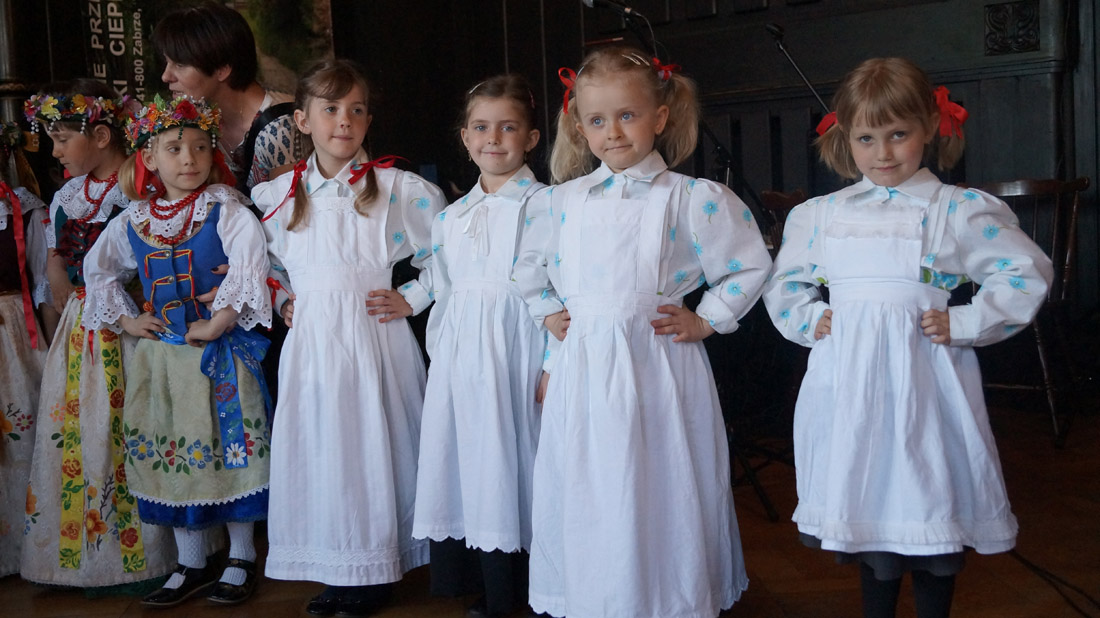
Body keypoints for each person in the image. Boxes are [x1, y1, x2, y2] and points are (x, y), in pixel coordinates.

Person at [762, 57, 1053, 618]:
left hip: (926, 382)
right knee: (867, 499)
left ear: (930, 127)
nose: (884, 153)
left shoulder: (956, 210)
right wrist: (810, 319)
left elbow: (1026, 271)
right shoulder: (821, 215)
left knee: (927, 497)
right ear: (846, 138)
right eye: (867, 138)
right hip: (851, 385)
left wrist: (965, 321)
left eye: (898, 134)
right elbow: (785, 282)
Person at [515, 46, 771, 618]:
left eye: (627, 115)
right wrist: (548, 313)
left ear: (659, 116)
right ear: (579, 127)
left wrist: (707, 317)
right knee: (592, 479)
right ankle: (597, 595)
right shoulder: (560, 202)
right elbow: (529, 268)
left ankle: (665, 598)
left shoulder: (689, 198)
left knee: (659, 478)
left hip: (657, 365)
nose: (612, 132)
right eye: (597, 120)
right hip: (585, 369)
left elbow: (748, 264)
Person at [253, 59, 444, 618]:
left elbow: (449, 252)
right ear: (303, 120)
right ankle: (337, 565)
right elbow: (266, 266)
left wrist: (414, 296)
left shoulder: (398, 189)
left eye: (357, 110)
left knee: (370, 448)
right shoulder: (277, 196)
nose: (345, 120)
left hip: (373, 341)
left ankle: (374, 568)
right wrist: (284, 301)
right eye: (331, 109)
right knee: (324, 450)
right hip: (315, 346)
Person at [82, 95, 273, 608]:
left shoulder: (226, 210)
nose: (189, 159)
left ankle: (240, 557)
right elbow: (99, 273)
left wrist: (219, 321)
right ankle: (191, 562)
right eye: (174, 149)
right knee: (173, 455)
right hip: (164, 360)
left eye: (199, 147)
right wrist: (128, 319)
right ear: (149, 158)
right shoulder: (133, 221)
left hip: (221, 359)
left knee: (231, 452)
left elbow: (250, 266)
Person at [20, 81, 176, 589]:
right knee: (85, 431)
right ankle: (85, 557)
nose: (55, 151)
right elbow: (56, 262)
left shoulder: (139, 188)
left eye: (63, 139)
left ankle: (155, 554)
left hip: (136, 324)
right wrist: (59, 271)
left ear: (102, 135)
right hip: (83, 328)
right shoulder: (67, 197)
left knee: (135, 427)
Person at [412, 74, 547, 618]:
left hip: (520, 353)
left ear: (531, 138)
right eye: (482, 127)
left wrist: (554, 362)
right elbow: (443, 288)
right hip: (462, 360)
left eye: (508, 127)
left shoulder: (547, 205)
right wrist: (440, 358)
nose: (494, 138)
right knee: (474, 461)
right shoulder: (451, 217)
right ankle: (488, 585)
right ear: (465, 138)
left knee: (521, 458)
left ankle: (534, 586)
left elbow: (559, 288)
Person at [152, 1, 304, 193]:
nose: (166, 76)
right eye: (167, 63)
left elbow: (290, 209)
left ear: (222, 69)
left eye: (180, 65)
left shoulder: (281, 128)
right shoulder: (198, 121)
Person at [0, 120, 50, 577]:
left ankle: (26, 549)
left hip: (14, 333)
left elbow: (40, 283)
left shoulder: (22, 209)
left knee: (22, 430)